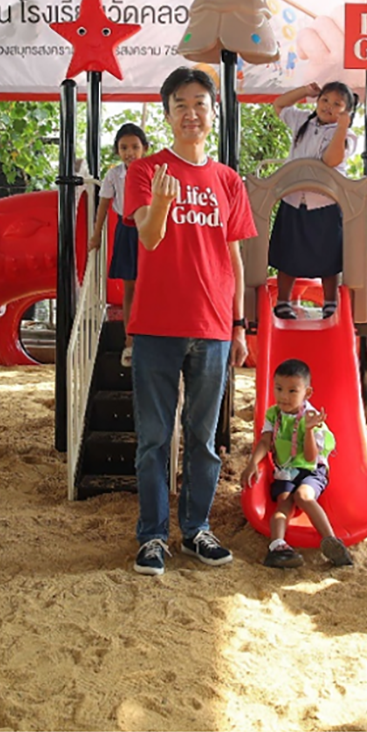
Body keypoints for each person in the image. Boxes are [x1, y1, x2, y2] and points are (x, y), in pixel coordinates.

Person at [124, 67, 256, 576]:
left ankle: (197, 528)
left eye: (200, 103)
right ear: (167, 113)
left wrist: (240, 324)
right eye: (181, 104)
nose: (191, 113)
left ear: (212, 112)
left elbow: (236, 258)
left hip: (214, 328)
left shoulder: (227, 180)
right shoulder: (147, 171)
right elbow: (150, 239)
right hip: (157, 325)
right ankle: (153, 536)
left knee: (203, 439)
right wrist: (160, 203)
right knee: (155, 437)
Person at [242, 358, 354, 569]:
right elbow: (265, 440)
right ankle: (277, 546)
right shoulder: (273, 414)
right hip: (286, 471)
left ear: (307, 393)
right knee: (284, 502)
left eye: (292, 391)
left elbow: (311, 458)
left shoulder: (311, 418)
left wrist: (310, 430)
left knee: (303, 496)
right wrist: (252, 464)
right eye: (279, 388)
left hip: (311, 471)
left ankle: (331, 541)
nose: (284, 396)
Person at [267, 81, 359, 320]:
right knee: (288, 253)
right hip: (294, 199)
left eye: (337, 104)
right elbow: (278, 105)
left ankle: (330, 302)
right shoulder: (303, 121)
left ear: (346, 112)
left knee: (328, 255)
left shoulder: (346, 136)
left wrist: (341, 128)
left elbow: (330, 160)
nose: (328, 106)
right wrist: (304, 92)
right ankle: (283, 301)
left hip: (324, 203)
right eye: (325, 100)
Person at [89, 123, 150, 365]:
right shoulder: (114, 175)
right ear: (117, 151)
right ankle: (129, 339)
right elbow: (103, 206)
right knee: (130, 286)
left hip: (149, 230)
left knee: (152, 285)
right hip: (126, 230)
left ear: (145, 148)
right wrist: (95, 236)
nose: (130, 152)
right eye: (124, 147)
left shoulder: (152, 171)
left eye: (135, 147)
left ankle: (150, 334)